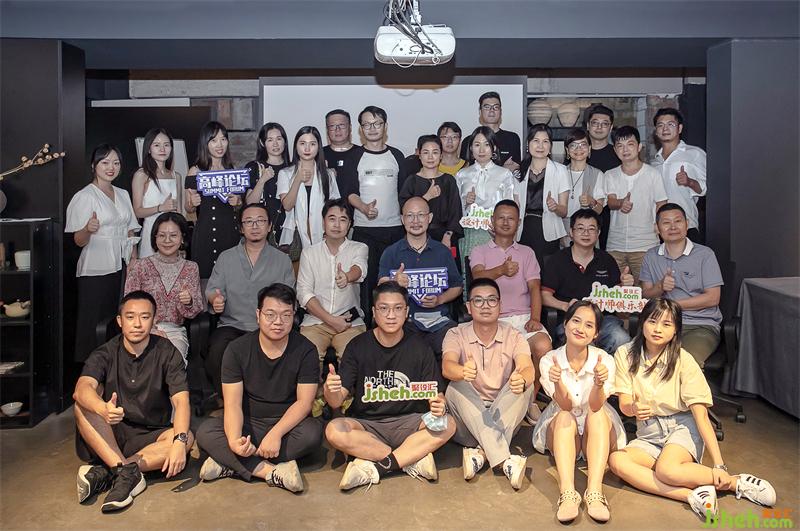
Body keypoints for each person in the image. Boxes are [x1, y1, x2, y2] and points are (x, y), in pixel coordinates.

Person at [608, 298, 776, 522]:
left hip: (682, 426)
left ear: (676, 330)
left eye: (667, 324)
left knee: (667, 470)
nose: (657, 329)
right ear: (642, 322)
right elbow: (625, 404)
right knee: (617, 461)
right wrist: (633, 408)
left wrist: (719, 464)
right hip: (648, 433)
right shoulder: (625, 354)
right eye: (652, 321)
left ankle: (735, 482)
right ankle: (691, 495)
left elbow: (702, 417)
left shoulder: (684, 361)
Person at [323, 281, 456, 490]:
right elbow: (336, 400)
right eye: (384, 308)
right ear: (374, 312)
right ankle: (409, 459)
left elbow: (435, 394)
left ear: (407, 312)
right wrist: (330, 390)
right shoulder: (357, 346)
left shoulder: (419, 347)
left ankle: (380, 465)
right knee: (334, 430)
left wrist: (439, 404)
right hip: (368, 425)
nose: (391, 315)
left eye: (398, 308)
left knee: (449, 424)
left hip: (410, 423)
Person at [196, 284, 323, 493]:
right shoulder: (237, 349)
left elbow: (304, 403)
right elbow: (233, 404)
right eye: (270, 315)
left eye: (286, 315)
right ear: (258, 314)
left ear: (294, 316)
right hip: (249, 424)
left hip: (287, 426)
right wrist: (235, 440)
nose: (278, 322)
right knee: (205, 432)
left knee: (313, 434)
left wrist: (276, 434)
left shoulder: (306, 350)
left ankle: (230, 463)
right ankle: (269, 471)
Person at [73, 291, 192, 513]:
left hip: (149, 435)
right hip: (110, 433)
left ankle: (115, 470)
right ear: (120, 321)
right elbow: (82, 388)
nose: (137, 324)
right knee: (83, 405)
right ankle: (127, 472)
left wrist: (179, 442)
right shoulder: (105, 352)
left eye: (145, 317)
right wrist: (102, 408)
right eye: (130, 317)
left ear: (154, 320)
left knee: (186, 437)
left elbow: (182, 401)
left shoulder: (167, 351)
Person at [532, 301, 626, 523]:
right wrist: (557, 382)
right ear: (565, 324)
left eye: (589, 325)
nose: (580, 329)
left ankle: (594, 492)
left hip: (597, 424)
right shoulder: (549, 360)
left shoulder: (604, 360)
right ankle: (567, 493)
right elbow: (564, 405)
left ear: (596, 334)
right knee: (565, 416)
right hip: (564, 429)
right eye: (576, 321)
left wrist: (599, 383)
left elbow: (595, 405)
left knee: (597, 414)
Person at [441, 278, 535, 489]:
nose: (485, 306)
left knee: (524, 385)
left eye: (492, 300)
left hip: (504, 416)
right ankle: (504, 460)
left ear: (500, 305)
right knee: (457, 384)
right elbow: (447, 367)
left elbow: (527, 367)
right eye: (478, 300)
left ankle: (481, 454)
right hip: (467, 422)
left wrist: (522, 378)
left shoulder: (513, 334)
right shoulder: (455, 333)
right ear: (468, 307)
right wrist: (462, 371)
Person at [205, 203, 295, 400]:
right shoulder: (226, 257)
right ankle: (228, 401)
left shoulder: (282, 260)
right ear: (241, 228)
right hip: (233, 324)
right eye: (249, 222)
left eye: (260, 221)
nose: (255, 226)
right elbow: (212, 289)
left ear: (269, 226)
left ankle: (269, 401)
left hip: (270, 325)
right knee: (217, 350)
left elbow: (289, 297)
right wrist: (215, 300)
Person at [469, 200, 552, 413]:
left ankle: (529, 401)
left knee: (543, 346)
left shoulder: (527, 252)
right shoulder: (479, 251)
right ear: (492, 221)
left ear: (519, 222)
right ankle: (497, 403)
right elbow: (477, 278)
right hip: (493, 319)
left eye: (511, 219)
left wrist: (535, 318)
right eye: (501, 218)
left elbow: (535, 287)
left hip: (524, 318)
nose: (506, 223)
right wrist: (501, 270)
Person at [65, 144, 140, 363]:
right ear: (94, 165)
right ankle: (92, 371)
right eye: (105, 162)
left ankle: (116, 367)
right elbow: (77, 241)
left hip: (121, 264)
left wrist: (133, 260)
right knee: (95, 322)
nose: (111, 167)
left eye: (116, 163)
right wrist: (88, 229)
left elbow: (131, 230)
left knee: (117, 319)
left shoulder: (123, 193)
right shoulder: (85, 196)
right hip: (96, 266)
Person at [339, 105, 407, 320]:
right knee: (367, 284)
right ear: (361, 129)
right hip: (365, 230)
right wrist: (363, 207)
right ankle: (368, 326)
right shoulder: (354, 156)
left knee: (393, 282)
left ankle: (394, 322)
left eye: (377, 123)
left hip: (395, 229)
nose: (372, 128)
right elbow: (349, 191)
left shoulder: (396, 155)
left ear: (385, 126)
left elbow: (404, 193)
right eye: (367, 124)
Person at [378, 197, 463, 361]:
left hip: (439, 322)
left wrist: (440, 299)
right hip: (404, 322)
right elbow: (380, 286)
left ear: (429, 218)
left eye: (421, 215)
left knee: (454, 343)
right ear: (402, 219)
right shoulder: (391, 252)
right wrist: (394, 282)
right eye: (410, 216)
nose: (415, 221)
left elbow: (457, 286)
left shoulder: (442, 252)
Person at [639, 203, 723, 367]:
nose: (673, 227)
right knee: (641, 361)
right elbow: (645, 294)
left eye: (677, 221)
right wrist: (660, 287)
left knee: (684, 363)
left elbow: (713, 298)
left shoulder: (705, 255)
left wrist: (672, 305)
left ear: (687, 224)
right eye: (666, 222)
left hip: (699, 325)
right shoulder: (651, 256)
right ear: (657, 228)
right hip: (660, 324)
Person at [541, 208, 633, 355]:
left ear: (598, 233)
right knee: (584, 343)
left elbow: (618, 298)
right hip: (570, 319)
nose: (586, 233)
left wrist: (624, 286)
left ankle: (604, 368)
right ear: (571, 232)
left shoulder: (606, 260)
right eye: (580, 228)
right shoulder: (557, 260)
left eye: (591, 229)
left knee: (622, 339)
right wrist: (565, 306)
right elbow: (544, 296)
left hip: (602, 320)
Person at [297, 198, 368, 371]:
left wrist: (347, 277)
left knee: (354, 359)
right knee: (307, 357)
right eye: (332, 219)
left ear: (349, 224)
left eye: (343, 220)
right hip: (316, 322)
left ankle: (346, 389)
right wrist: (330, 320)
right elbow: (304, 293)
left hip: (349, 323)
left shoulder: (359, 248)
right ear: (323, 222)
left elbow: (360, 269)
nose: (337, 225)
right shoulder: (309, 253)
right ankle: (315, 389)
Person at [124, 212, 203, 364]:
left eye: (173, 235)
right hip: (141, 330)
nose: (167, 240)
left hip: (174, 332)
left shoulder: (191, 268)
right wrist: (152, 331)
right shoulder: (141, 266)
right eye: (161, 235)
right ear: (155, 237)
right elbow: (129, 306)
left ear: (182, 238)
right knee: (145, 363)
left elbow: (195, 311)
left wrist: (188, 302)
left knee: (172, 363)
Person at [604, 126, 667, 283]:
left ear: (639, 147)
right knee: (615, 291)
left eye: (630, 144)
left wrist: (659, 225)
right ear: (615, 150)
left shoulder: (653, 174)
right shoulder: (610, 175)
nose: (625, 149)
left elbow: (661, 202)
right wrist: (620, 203)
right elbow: (610, 201)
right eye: (620, 145)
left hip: (645, 244)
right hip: (616, 245)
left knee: (647, 290)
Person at [455, 126, 518, 277]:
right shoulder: (462, 175)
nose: (482, 150)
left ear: (494, 148)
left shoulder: (504, 174)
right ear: (471, 148)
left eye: (486, 144)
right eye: (477, 145)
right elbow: (455, 210)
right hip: (469, 234)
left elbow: (510, 208)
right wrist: (465, 202)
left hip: (495, 233)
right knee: (470, 277)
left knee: (497, 275)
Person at [184, 121, 243, 279]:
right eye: (214, 140)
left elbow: (239, 204)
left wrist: (238, 202)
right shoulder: (195, 170)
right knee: (205, 279)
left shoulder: (232, 170)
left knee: (231, 278)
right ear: (205, 143)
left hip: (229, 231)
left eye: (223, 139)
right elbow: (188, 209)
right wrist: (192, 203)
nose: (220, 145)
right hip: (205, 233)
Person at [276, 125, 340, 254]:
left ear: (318, 147)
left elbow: (335, 208)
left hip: (323, 235)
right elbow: (287, 206)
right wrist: (298, 180)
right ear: (296, 146)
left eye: (312, 144)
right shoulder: (285, 173)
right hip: (295, 239)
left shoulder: (328, 175)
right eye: (302, 143)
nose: (307, 148)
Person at [651, 108, 707, 242]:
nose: (665, 129)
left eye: (670, 124)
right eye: (660, 125)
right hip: (660, 229)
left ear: (679, 128)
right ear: (656, 131)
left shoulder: (695, 153)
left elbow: (705, 188)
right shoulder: (654, 162)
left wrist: (689, 182)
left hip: (686, 225)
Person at [398, 134, 463, 250]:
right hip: (416, 236)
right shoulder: (411, 181)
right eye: (426, 152)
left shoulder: (449, 180)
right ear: (419, 155)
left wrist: (448, 235)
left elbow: (455, 212)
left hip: (445, 237)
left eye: (435, 152)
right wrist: (426, 197)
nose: (430, 157)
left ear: (441, 155)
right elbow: (405, 210)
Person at [515, 124, 569, 262]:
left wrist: (555, 207)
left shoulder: (561, 171)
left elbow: (564, 211)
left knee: (547, 270)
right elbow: (514, 206)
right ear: (528, 144)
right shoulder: (519, 172)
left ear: (550, 146)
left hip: (548, 231)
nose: (540, 146)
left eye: (545, 141)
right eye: (536, 141)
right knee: (524, 269)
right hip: (523, 229)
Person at [131, 128, 181, 258]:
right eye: (157, 145)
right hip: (150, 235)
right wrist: (160, 208)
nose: (162, 149)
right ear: (149, 149)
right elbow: (137, 211)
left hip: (173, 237)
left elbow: (180, 213)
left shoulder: (176, 176)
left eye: (166, 145)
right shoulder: (142, 175)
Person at [245, 122, 290, 243]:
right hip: (262, 229)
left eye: (279, 139)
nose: (275, 144)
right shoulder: (254, 167)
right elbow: (250, 203)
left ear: (284, 141)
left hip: (289, 229)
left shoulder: (292, 168)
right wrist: (262, 180)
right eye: (270, 140)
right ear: (262, 143)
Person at [584, 104, 620, 250]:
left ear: (610, 128)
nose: (599, 127)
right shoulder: (578, 154)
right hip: (583, 220)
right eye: (595, 123)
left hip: (612, 221)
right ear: (588, 126)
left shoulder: (618, 155)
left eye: (604, 124)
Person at [459, 91, 521, 171]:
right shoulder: (468, 141)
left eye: (496, 107)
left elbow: (515, 168)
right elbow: (466, 171)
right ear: (480, 111)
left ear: (500, 111)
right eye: (487, 107)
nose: (492, 110)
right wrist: (502, 170)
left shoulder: (512, 138)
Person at [561, 128, 605, 235]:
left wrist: (592, 202)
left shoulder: (597, 174)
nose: (578, 148)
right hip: (561, 228)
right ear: (567, 150)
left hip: (586, 231)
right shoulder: (559, 173)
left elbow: (599, 209)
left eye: (583, 145)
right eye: (573, 145)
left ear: (589, 148)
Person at [323, 109, 364, 194]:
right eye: (332, 126)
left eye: (342, 125)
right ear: (327, 130)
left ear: (350, 127)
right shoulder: (318, 154)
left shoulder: (362, 154)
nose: (337, 130)